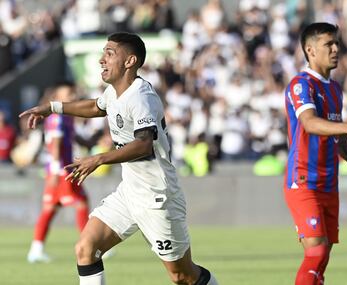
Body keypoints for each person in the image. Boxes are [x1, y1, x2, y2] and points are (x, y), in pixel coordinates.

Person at [20, 32, 218, 285]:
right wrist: (52, 107)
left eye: (110, 53)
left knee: (182, 276)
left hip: (157, 197)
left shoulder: (141, 97)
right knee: (86, 247)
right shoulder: (115, 93)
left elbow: (144, 144)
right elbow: (96, 107)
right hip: (129, 192)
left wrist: (99, 159)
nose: (102, 59)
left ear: (129, 61)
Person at [284, 22, 347, 285]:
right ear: (310, 50)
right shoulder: (301, 85)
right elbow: (310, 123)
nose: (336, 49)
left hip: (328, 182)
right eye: (329, 44)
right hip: (303, 179)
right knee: (315, 252)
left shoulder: (334, 89)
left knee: (323, 255)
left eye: (337, 43)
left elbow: (338, 136)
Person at [27, 82, 90, 263]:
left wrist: (87, 142)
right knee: (81, 204)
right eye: (69, 94)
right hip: (61, 171)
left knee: (50, 208)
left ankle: (36, 249)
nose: (73, 96)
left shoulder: (66, 116)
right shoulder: (57, 117)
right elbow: (55, 145)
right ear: (57, 98)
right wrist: (55, 171)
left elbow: (71, 138)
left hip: (59, 170)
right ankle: (91, 243)